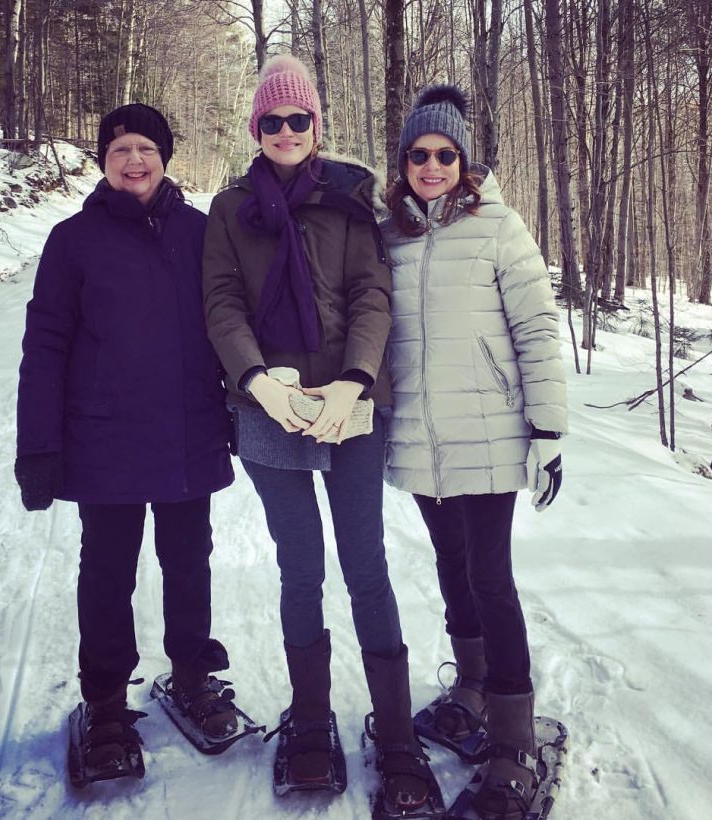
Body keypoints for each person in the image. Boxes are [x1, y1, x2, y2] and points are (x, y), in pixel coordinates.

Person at [202, 55, 441, 816]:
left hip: (349, 405)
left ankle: (397, 734)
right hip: (268, 407)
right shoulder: (230, 207)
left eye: (297, 119)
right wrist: (256, 381)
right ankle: (309, 720)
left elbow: (374, 295)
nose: (285, 131)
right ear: (256, 129)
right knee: (300, 567)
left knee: (365, 563)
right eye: (271, 121)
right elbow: (221, 302)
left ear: (316, 123)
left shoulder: (351, 202)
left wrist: (355, 379)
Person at [14, 103, 239, 783]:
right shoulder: (71, 241)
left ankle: (193, 676)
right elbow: (46, 345)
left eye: (146, 148)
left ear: (165, 157)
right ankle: (105, 703)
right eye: (120, 150)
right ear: (103, 161)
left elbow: (230, 319)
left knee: (188, 560)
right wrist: (37, 445)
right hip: (102, 441)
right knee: (108, 572)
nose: (134, 161)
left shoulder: (201, 234)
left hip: (186, 434)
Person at [381, 85, 568, 820]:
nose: (432, 165)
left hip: (489, 430)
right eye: (420, 154)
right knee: (450, 563)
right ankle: (472, 688)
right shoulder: (389, 230)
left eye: (445, 154)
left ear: (464, 161)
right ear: (404, 163)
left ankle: (514, 738)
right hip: (422, 434)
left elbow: (537, 328)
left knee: (491, 575)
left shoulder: (498, 226)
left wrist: (548, 431)